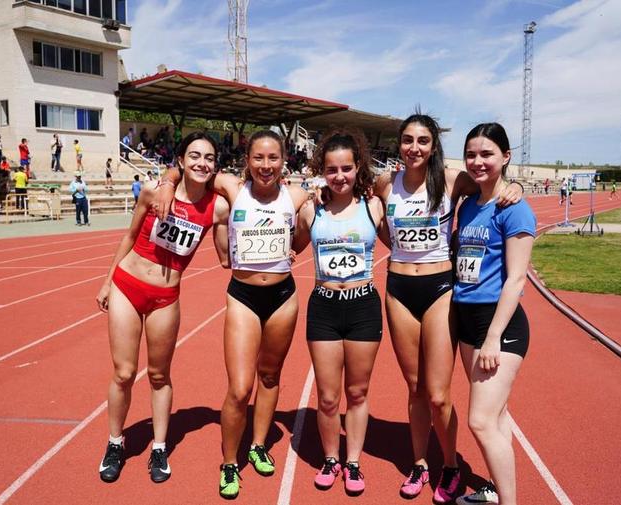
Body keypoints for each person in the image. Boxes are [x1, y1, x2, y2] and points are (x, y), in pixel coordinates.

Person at [372, 112, 522, 502]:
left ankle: (451, 466)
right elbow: (369, 211)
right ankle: (420, 464)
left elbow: (495, 184)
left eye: (423, 141)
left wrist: (517, 185)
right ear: (399, 144)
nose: (414, 148)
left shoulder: (454, 180)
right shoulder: (386, 183)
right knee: (415, 387)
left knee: (439, 394)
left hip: (439, 288)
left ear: (434, 146)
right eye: (407, 140)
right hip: (399, 287)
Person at [154, 130, 309, 499]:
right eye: (259, 158)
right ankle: (229, 463)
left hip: (283, 297)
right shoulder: (232, 187)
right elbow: (189, 170)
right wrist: (164, 182)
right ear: (247, 160)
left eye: (273, 158)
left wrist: (296, 240)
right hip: (243, 298)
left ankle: (258, 445)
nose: (266, 166)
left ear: (284, 160)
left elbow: (301, 240)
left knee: (270, 377)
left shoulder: (298, 195)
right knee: (240, 388)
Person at [95, 132, 230, 484]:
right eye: (195, 156)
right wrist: (108, 280)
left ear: (215, 166)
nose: (202, 163)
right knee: (124, 373)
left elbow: (247, 204)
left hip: (166, 297)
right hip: (128, 284)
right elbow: (128, 236)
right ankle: (114, 442)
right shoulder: (154, 191)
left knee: (158, 375)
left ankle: (158, 447)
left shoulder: (216, 206)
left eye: (209, 158)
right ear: (181, 161)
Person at [292, 129, 385, 496]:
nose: (340, 176)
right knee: (328, 397)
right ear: (322, 170)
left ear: (358, 167)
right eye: (332, 170)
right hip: (324, 307)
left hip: (363, 305)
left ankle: (354, 461)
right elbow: (292, 248)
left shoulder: (373, 205)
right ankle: (331, 459)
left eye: (346, 168)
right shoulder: (311, 209)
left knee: (358, 393)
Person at [453, 123, 536, 505]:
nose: (477, 161)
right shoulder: (470, 202)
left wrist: (492, 337)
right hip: (468, 319)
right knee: (498, 416)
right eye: (471, 154)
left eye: (487, 154)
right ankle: (495, 489)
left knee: (480, 421)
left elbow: (517, 278)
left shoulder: (514, 208)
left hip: (498, 326)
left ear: (506, 156)